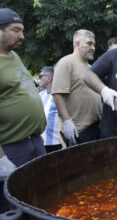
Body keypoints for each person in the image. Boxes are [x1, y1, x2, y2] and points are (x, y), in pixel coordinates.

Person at [0, 8, 46, 212]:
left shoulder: (14, 56)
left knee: (41, 197)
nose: (22, 36)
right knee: (15, 207)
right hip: (11, 148)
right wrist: (1, 160)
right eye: (15, 30)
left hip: (34, 142)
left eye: (22, 30)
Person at [52, 29, 102, 146]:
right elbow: (57, 94)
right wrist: (67, 122)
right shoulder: (66, 62)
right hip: (79, 130)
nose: (93, 48)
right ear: (77, 43)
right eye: (89, 43)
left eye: (94, 44)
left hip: (96, 127)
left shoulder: (90, 67)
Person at [38, 66, 62, 153]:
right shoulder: (41, 95)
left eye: (40, 76)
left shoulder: (60, 95)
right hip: (41, 143)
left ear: (49, 78)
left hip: (57, 143)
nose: (39, 79)